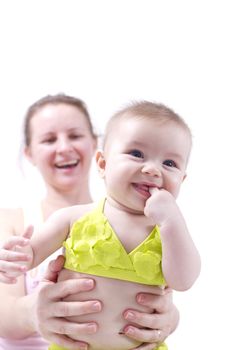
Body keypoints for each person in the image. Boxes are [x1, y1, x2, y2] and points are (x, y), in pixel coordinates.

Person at [0, 100, 200, 350]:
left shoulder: (167, 232)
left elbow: (183, 282)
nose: (152, 169)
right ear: (103, 163)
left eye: (169, 163)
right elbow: (29, 256)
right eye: (137, 154)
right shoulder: (71, 218)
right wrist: (14, 258)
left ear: (182, 178)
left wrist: (171, 319)